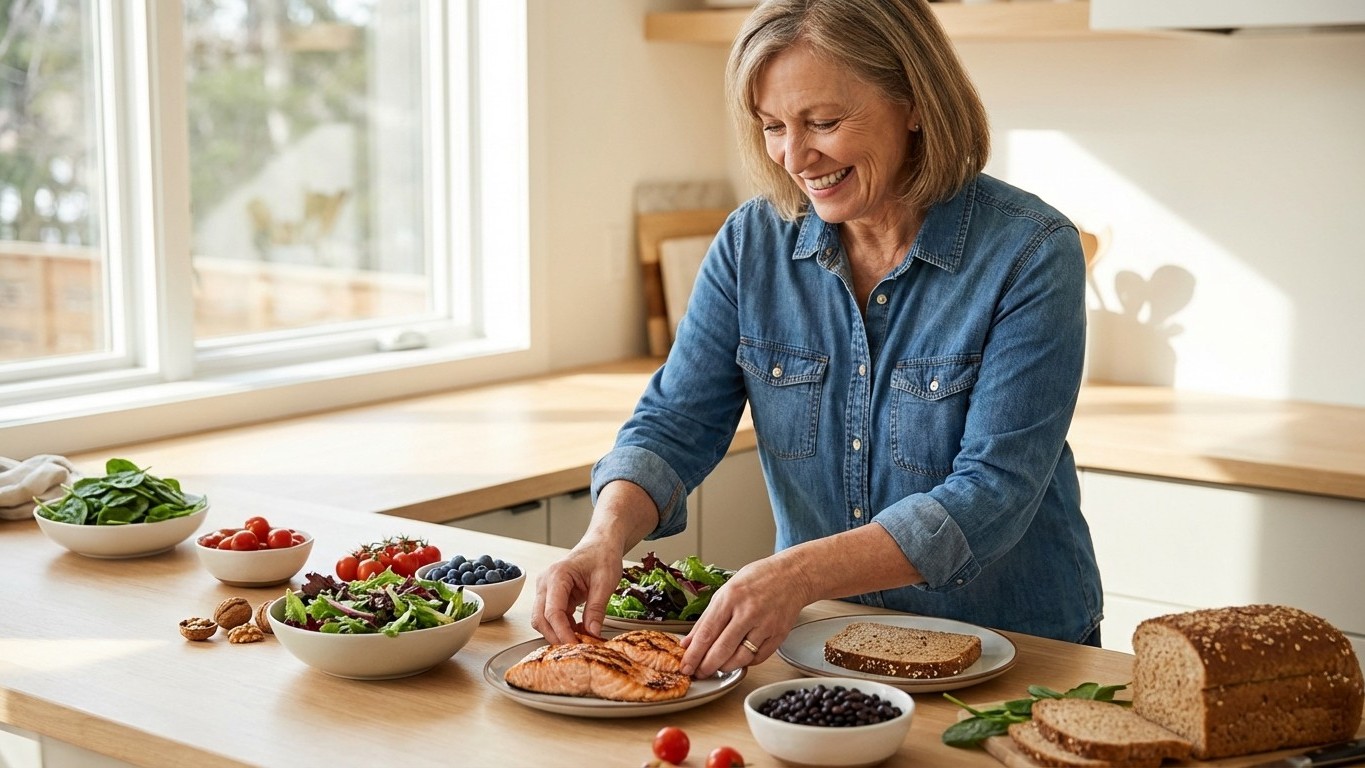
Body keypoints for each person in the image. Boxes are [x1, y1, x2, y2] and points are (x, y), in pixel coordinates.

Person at [532, 0, 1102, 680]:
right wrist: (603, 537)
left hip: (1011, 649)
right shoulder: (751, 243)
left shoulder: (1030, 251)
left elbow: (992, 495)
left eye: (824, 123)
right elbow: (675, 422)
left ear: (914, 102)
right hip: (824, 646)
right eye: (773, 126)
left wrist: (795, 573)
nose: (795, 157)